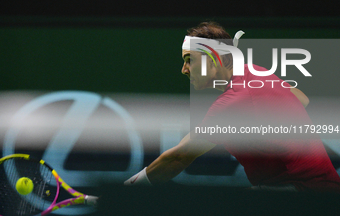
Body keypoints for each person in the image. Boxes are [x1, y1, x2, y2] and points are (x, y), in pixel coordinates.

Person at [124, 22, 340, 191]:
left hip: (306, 193)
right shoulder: (255, 72)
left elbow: (179, 157)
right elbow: (301, 98)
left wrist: (129, 188)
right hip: (319, 188)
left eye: (190, 59)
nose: (184, 69)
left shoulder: (234, 101)